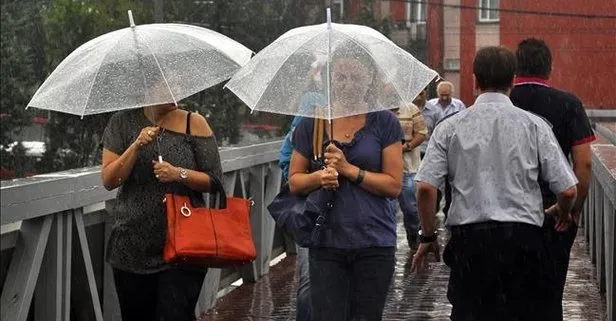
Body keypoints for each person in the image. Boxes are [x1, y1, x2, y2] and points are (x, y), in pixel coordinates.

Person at [412, 46, 578, 321]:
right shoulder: (535, 126)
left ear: (475, 81)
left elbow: (426, 189)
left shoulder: (450, 127)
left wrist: (428, 236)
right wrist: (561, 209)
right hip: (523, 242)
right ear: (512, 81)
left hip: (471, 245)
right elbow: (568, 189)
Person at [288, 44, 403, 321]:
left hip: (374, 240)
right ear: (330, 79)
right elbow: (294, 181)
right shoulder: (313, 123)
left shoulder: (384, 122)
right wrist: (319, 177)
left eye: (355, 77)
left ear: (369, 79)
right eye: (340, 77)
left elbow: (393, 185)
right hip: (326, 240)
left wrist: (350, 170)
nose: (348, 84)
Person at [101, 102, 223, 321]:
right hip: (131, 246)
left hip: (183, 247)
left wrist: (179, 174)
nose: (174, 89)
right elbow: (110, 180)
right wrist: (136, 146)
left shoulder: (194, 123)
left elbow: (214, 181)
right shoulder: (121, 122)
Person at [510, 37, 596, 321]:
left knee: (509, 296)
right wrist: (573, 208)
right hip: (554, 213)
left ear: (515, 68)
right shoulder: (568, 104)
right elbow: (583, 163)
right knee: (548, 297)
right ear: (550, 68)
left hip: (507, 213)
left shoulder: (502, 103)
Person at [393, 102, 427, 247]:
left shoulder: (410, 108)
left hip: (408, 167)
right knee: (388, 209)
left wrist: (407, 146)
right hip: (384, 168)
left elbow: (422, 133)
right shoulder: (376, 108)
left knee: (410, 208)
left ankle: (413, 235)